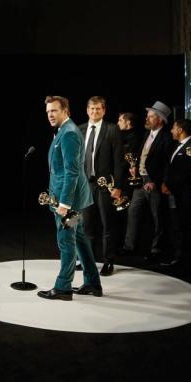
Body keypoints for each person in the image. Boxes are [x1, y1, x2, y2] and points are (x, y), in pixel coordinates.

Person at [37, 96, 102, 300]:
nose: (50, 115)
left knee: (66, 241)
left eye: (54, 111)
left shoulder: (69, 134)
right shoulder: (65, 131)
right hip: (72, 198)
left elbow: (72, 172)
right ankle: (93, 283)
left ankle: (63, 287)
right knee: (80, 238)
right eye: (48, 112)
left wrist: (64, 203)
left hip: (69, 201)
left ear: (66, 111)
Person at [78, 96, 125, 276]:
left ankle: (108, 261)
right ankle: (87, 260)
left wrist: (118, 186)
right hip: (86, 185)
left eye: (98, 109)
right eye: (91, 109)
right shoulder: (81, 129)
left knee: (107, 225)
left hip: (106, 186)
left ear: (104, 110)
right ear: (87, 110)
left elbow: (119, 162)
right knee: (86, 226)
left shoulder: (112, 129)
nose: (94, 112)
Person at [122, 101, 174, 260]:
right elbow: (141, 155)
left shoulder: (166, 138)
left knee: (157, 216)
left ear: (160, 119)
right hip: (141, 180)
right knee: (133, 212)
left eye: (150, 116)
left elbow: (167, 163)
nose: (147, 118)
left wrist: (156, 182)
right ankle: (129, 247)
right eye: (148, 116)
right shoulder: (146, 134)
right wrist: (135, 168)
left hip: (155, 182)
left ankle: (156, 250)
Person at [160, 118, 191, 269]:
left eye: (173, 128)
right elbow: (171, 168)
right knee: (177, 227)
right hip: (176, 194)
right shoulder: (179, 145)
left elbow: (186, 173)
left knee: (185, 228)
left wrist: (170, 185)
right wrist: (166, 183)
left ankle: (186, 262)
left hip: (185, 196)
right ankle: (179, 259)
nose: (171, 131)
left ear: (180, 130)